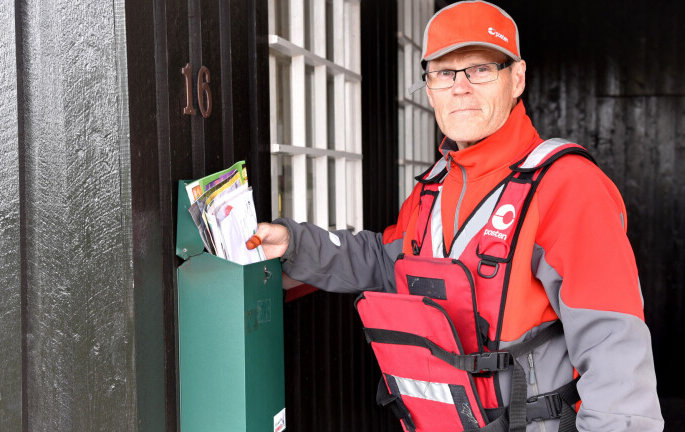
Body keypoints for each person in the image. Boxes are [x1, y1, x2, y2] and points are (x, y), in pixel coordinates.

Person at [252, 1, 663, 431]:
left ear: (516, 77)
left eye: (481, 68)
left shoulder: (566, 185)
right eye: (444, 73)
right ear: (428, 88)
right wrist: (294, 243)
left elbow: (614, 345)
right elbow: (384, 261)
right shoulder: (433, 186)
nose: (460, 87)